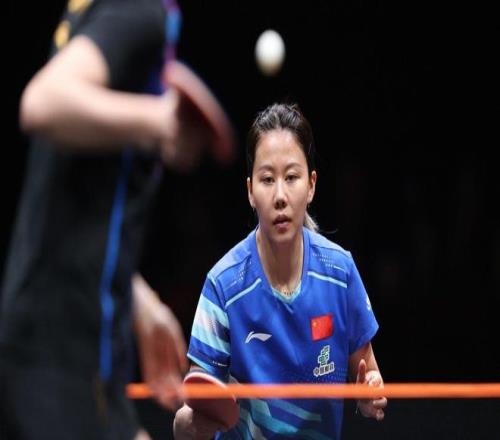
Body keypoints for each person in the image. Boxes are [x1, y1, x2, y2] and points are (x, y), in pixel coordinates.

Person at [0, 0, 233, 439]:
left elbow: (73, 200)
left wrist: (138, 302)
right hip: (66, 352)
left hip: (52, 341)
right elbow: (43, 101)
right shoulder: (140, 10)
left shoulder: (92, 13)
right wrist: (161, 121)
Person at [173, 103, 387, 439]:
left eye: (291, 177)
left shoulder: (340, 272)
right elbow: (199, 403)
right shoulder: (223, 286)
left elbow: (368, 375)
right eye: (267, 179)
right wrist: (185, 424)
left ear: (311, 185)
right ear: (250, 192)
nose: (280, 196)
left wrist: (368, 394)